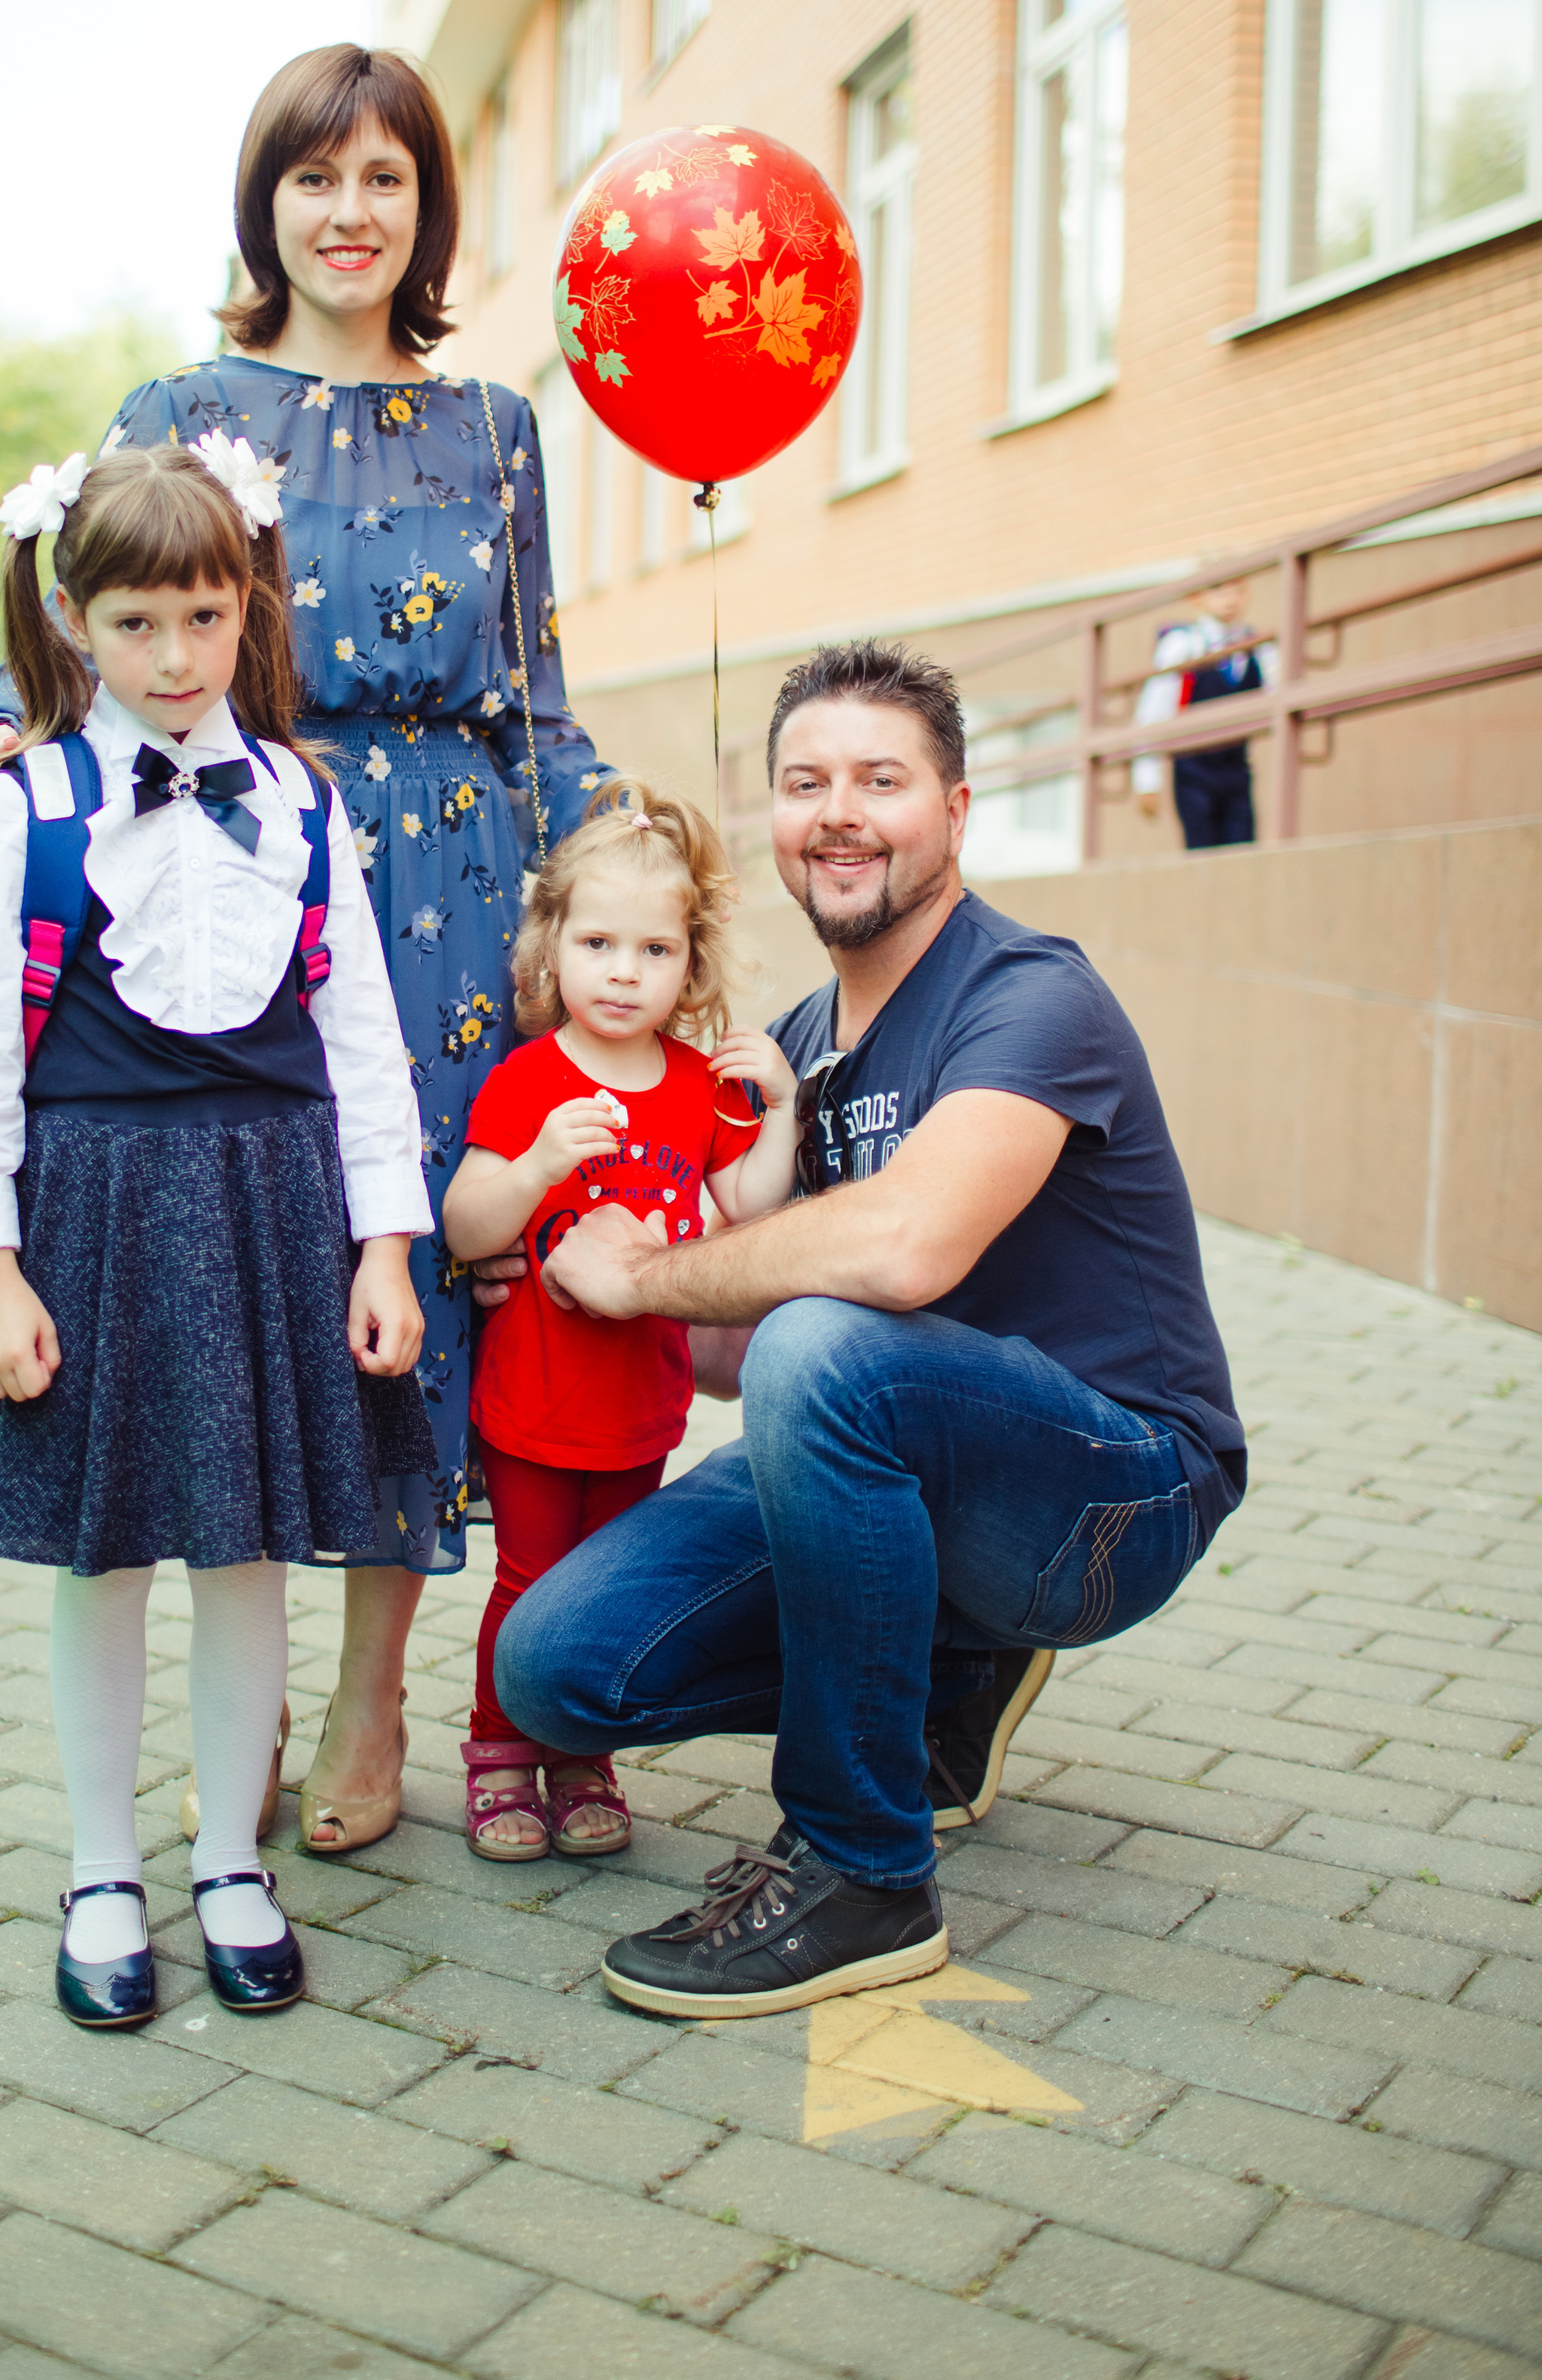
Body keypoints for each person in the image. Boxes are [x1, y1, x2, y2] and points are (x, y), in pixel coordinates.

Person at [0, 44, 613, 1857]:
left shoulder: (496, 429)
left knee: (415, 1278)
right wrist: (0, 741)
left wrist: (610, 870)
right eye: (316, 179)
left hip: (454, 890)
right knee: (243, 1262)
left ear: (425, 208)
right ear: (266, 205)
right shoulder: (184, 398)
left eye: (385, 178)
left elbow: (534, 691)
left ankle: (376, 1687)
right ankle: (245, 1652)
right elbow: (109, 612)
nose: (350, 213)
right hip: (231, 865)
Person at [488, 640, 1247, 2021]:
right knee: (556, 1669)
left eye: (880, 779)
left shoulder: (1030, 994)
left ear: (954, 810)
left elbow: (906, 1248)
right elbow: (726, 1362)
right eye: (805, 782)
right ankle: (948, 1675)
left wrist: (653, 1275)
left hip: (1111, 1497)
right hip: (898, 1461)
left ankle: (862, 1868)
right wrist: (566, 1262)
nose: (838, 811)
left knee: (825, 1350)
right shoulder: (785, 1054)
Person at [0, 439, 432, 2029]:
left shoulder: (297, 799)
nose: (170, 658)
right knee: (101, 1557)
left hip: (273, 1206)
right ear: (75, 620)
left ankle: (227, 1860)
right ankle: (97, 1866)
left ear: (245, 611)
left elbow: (361, 1032)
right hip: (95, 1213)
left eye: (202, 619)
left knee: (246, 1552)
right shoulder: (29, 807)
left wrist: (384, 1246)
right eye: (133, 623)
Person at [441, 780, 798, 1862]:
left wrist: (782, 1107)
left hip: (643, 1410)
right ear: (552, 948)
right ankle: (500, 1754)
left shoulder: (699, 1086)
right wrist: (542, 1162)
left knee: (603, 1592)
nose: (624, 972)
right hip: (534, 1404)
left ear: (688, 966)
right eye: (599, 942)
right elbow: (464, 1225)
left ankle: (581, 1756)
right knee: (526, 1582)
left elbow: (748, 1213)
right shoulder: (527, 1079)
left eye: (653, 950)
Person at [1133, 576, 1272, 848]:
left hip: (1237, 766)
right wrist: (1147, 780)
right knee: (1202, 853)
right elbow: (1154, 711)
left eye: (1238, 590)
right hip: (1194, 768)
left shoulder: (1257, 645)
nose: (1230, 599)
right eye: (1218, 590)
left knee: (1243, 851)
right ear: (1196, 598)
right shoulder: (1184, 644)